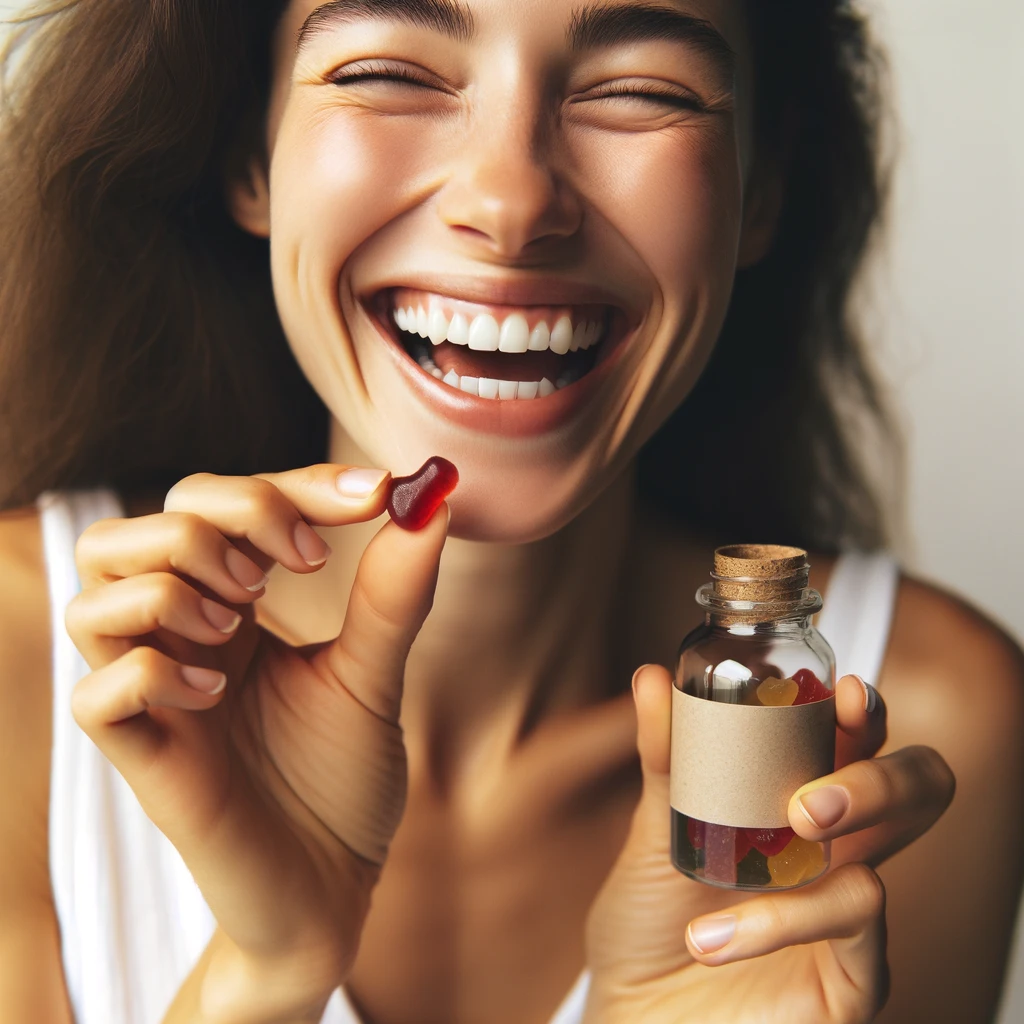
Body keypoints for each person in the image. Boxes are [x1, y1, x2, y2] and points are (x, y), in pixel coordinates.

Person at [0, 1, 1020, 1022]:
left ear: (761, 189)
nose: (511, 200)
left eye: (642, 91)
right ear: (250, 154)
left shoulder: (918, 727)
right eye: (386, 73)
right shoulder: (19, 665)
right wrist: (262, 976)